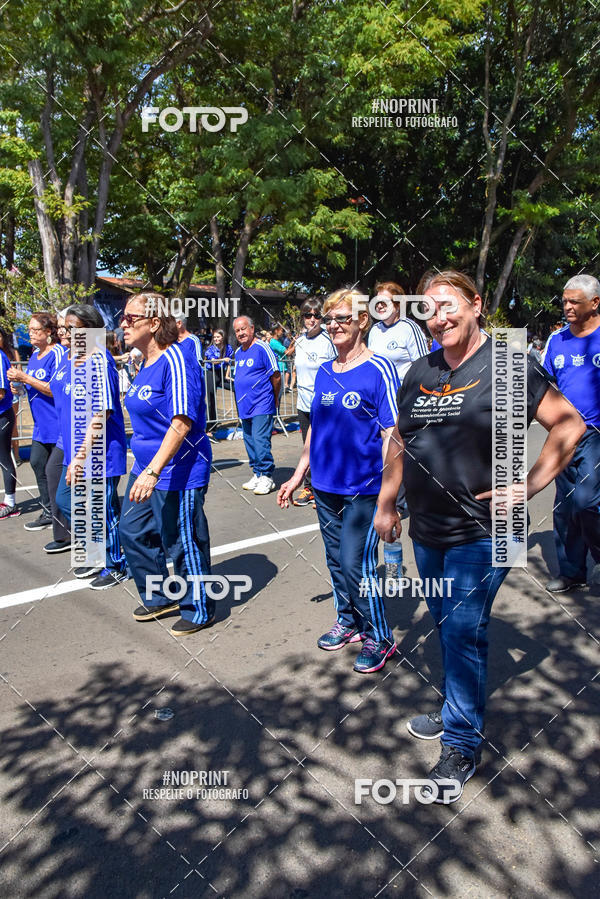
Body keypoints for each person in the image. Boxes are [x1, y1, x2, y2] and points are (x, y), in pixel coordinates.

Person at [374, 269, 585, 803]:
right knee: (447, 624)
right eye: (429, 309)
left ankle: (462, 744)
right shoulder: (419, 370)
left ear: (476, 304)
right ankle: (455, 709)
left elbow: (569, 424)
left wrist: (529, 485)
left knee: (464, 630)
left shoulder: (507, 363)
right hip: (427, 529)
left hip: (487, 528)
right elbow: (400, 439)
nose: (439, 317)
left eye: (449, 305)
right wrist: (386, 502)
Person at [278, 288, 399, 674]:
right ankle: (348, 621)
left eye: (342, 318)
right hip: (325, 486)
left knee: (355, 563)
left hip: (364, 488)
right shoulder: (326, 371)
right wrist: (299, 474)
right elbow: (317, 429)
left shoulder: (379, 368)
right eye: (329, 320)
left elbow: (392, 435)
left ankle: (379, 636)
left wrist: (389, 497)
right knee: (335, 561)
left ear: (363, 320)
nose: (333, 326)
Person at [118, 293, 215, 636]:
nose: (123, 323)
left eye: (131, 318)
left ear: (155, 322)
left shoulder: (176, 360)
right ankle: (160, 596)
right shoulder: (145, 362)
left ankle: (199, 608)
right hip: (145, 467)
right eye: (123, 317)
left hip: (177, 468)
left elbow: (182, 422)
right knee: (132, 530)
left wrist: (153, 470)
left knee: (182, 540)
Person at [53, 304, 128, 588]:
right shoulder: (71, 358)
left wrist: (81, 456)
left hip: (99, 452)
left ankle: (116, 563)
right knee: (65, 500)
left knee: (102, 509)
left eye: (73, 328)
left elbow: (102, 413)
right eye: (65, 328)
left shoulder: (99, 360)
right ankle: (99, 550)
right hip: (73, 448)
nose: (66, 333)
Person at [541, 274, 600, 592]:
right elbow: (543, 385)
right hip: (563, 435)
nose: (567, 307)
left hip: (596, 433)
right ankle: (571, 572)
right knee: (564, 505)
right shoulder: (556, 341)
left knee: (586, 500)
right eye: (564, 301)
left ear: (595, 302)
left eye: (574, 301)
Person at [368, 281, 428, 580]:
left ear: (399, 304)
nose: (380, 306)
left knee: (398, 490)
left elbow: (425, 368)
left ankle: (395, 567)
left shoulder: (409, 329)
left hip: (405, 412)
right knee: (385, 483)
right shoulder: (374, 331)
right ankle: (385, 561)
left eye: (386, 302)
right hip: (379, 413)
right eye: (377, 302)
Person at [7, 312, 65, 533]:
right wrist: (19, 387)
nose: (30, 333)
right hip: (41, 425)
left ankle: (63, 517)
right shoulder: (34, 355)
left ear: (48, 332)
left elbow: (55, 389)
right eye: (29, 329)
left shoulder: (58, 353)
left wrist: (25, 378)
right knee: (37, 463)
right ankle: (48, 511)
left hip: (58, 423)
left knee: (55, 471)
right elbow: (32, 387)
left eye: (35, 330)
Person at [292, 297, 337, 507]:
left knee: (326, 446)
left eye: (317, 315)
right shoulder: (299, 341)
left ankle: (327, 490)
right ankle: (310, 488)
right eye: (308, 315)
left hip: (324, 404)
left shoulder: (328, 340)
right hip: (304, 404)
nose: (312, 319)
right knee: (308, 449)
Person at [233, 315, 281, 495]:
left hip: (262, 403)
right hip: (244, 405)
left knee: (260, 440)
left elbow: (276, 375)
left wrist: (275, 397)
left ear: (252, 329)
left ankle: (267, 476)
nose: (241, 333)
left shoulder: (262, 348)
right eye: (237, 331)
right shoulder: (238, 352)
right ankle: (257, 473)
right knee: (249, 440)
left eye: (243, 329)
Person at [0, 340, 19, 518]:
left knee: (4, 458)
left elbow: (1, 393)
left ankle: (10, 503)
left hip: (2, 416)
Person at [204, 328, 233, 424]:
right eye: (214, 337)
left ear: (223, 337)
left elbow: (229, 362)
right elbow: (213, 361)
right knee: (211, 398)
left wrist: (227, 375)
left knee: (235, 387)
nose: (216, 339)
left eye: (218, 337)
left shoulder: (228, 348)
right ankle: (211, 423)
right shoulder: (211, 349)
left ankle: (243, 418)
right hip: (211, 373)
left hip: (221, 373)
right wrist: (223, 359)